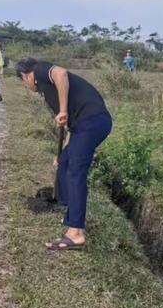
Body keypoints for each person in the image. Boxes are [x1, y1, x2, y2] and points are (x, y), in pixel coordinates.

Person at [16, 57, 112, 251]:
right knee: (64, 162)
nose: (27, 86)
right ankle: (70, 209)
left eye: (23, 82)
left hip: (92, 122)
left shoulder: (40, 70)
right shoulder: (46, 90)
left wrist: (62, 110)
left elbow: (61, 74)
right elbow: (70, 128)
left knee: (76, 172)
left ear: (26, 76)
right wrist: (63, 152)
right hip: (85, 125)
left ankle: (75, 232)